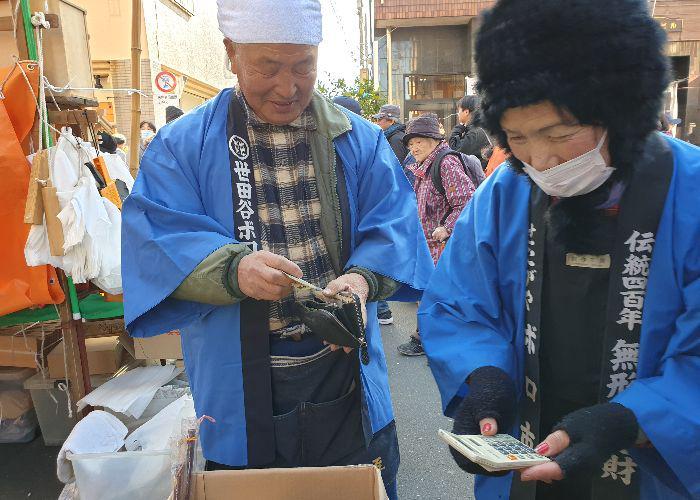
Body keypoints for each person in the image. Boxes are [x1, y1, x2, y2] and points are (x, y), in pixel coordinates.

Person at [121, 1, 433, 498]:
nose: (288, 88)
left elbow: (394, 225)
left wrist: (361, 280)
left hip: (344, 368)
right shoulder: (181, 146)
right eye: (268, 68)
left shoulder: (361, 140)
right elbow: (155, 239)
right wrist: (233, 270)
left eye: (303, 67)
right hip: (238, 380)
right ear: (231, 53)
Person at [421, 1, 699, 499]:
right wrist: (483, 380)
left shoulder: (691, 193)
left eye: (560, 134)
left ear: (621, 110)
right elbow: (460, 304)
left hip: (654, 470)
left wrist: (632, 419)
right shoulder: (505, 193)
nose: (542, 160)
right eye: (518, 137)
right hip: (524, 468)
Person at [397, 113, 477, 357]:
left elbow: (468, 199)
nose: (414, 147)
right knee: (429, 296)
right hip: (427, 248)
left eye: (419, 140)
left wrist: (447, 227)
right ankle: (431, 341)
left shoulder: (445, 163)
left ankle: (438, 344)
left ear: (434, 139)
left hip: (444, 247)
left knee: (440, 298)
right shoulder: (423, 167)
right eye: (411, 143)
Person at [449, 95, 491, 169]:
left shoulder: (476, 132)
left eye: (459, 110)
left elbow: (454, 150)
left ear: (466, 112)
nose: (458, 114)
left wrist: (459, 127)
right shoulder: (479, 128)